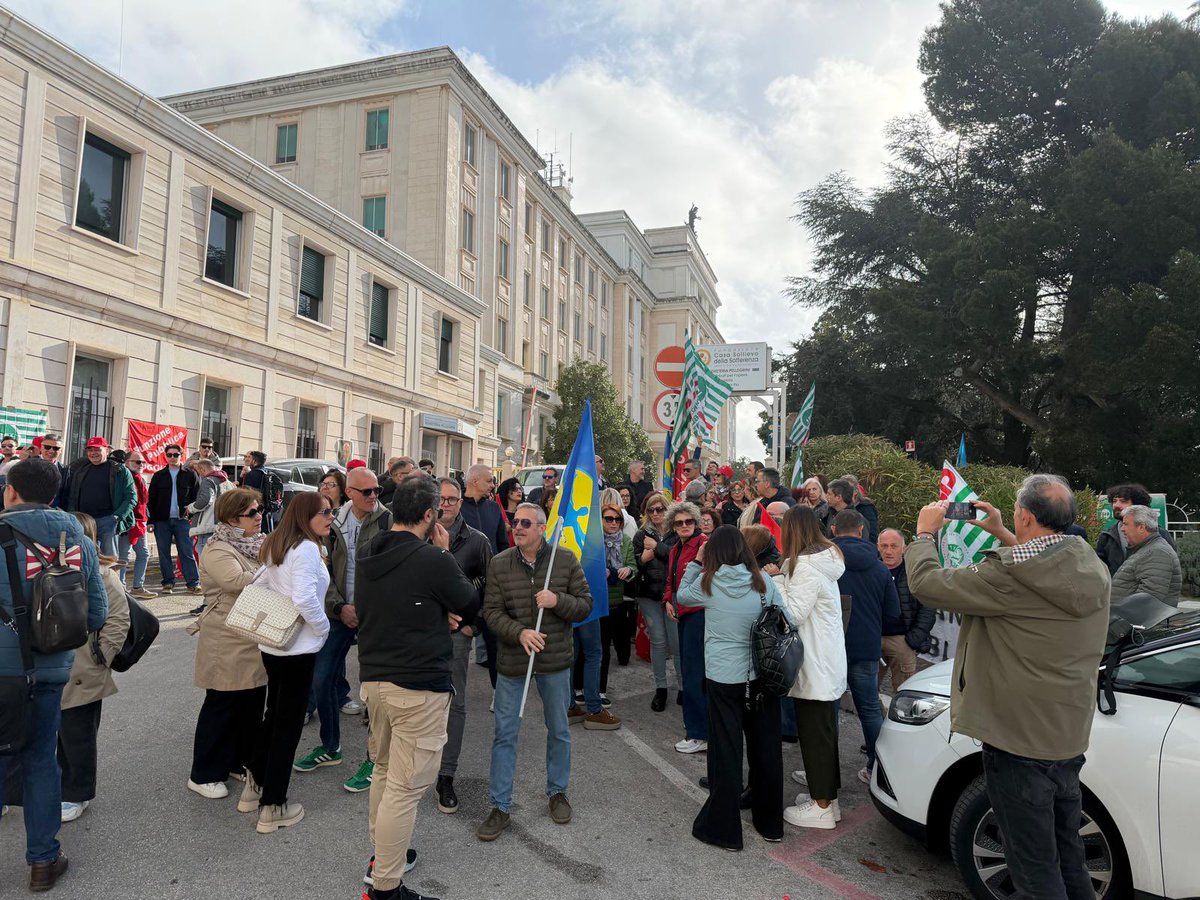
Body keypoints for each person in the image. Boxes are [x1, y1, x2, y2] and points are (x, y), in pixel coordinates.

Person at [906, 475, 1111, 899]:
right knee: (1067, 854)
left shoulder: (1009, 577)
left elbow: (927, 584)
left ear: (1026, 515)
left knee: (1033, 869)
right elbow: (1041, 570)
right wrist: (1002, 532)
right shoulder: (1089, 565)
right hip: (1064, 736)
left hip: (1018, 741)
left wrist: (925, 533)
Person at [356, 474, 478, 900]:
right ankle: (386, 887)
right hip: (417, 687)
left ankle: (382, 856)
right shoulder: (434, 559)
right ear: (429, 515)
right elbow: (468, 602)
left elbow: (395, 606)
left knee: (386, 774)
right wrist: (444, 555)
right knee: (405, 790)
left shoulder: (370, 551)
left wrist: (433, 610)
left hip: (376, 682)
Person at [0, 459, 107, 892]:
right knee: (42, 760)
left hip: (2, 670)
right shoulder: (78, 539)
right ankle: (43, 861)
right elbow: (96, 612)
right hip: (51, 670)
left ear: (11, 492)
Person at [476, 503, 592, 842]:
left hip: (554, 662)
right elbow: (491, 611)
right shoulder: (499, 563)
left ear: (542, 528)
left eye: (526, 523)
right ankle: (499, 805)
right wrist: (519, 633)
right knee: (505, 733)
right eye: (515, 522)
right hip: (513, 663)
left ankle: (557, 792)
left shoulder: (565, 560)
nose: (518, 527)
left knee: (558, 730)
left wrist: (558, 601)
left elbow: (585, 605)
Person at [678, 525, 788, 850]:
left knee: (725, 751)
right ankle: (770, 823)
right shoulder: (764, 581)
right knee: (766, 749)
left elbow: (682, 595)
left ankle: (724, 830)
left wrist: (695, 562)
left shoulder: (708, 583)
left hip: (724, 678)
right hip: (761, 677)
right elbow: (788, 618)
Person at [296, 468, 392, 789]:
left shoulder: (387, 521)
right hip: (338, 613)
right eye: (366, 491)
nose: (374, 496)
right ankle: (330, 746)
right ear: (349, 492)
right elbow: (323, 570)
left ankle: (373, 759)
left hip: (376, 617)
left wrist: (365, 609)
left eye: (377, 490)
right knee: (322, 679)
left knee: (374, 693)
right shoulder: (332, 521)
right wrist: (340, 607)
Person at [245, 492, 332, 833]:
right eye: (324, 512)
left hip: (274, 644)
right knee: (288, 725)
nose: (330, 516)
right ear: (305, 515)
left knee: (274, 717)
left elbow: (260, 582)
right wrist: (323, 630)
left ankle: (255, 784)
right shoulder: (307, 548)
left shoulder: (277, 543)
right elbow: (305, 598)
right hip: (297, 648)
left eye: (331, 510)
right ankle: (273, 805)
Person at [187, 488, 269, 802]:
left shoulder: (256, 542)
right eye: (252, 512)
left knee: (250, 704)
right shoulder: (219, 548)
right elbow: (236, 581)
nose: (259, 515)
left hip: (251, 634)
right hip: (226, 636)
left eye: (259, 509)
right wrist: (273, 571)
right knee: (221, 706)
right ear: (233, 518)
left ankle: (238, 761)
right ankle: (204, 773)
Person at [773, 506, 847, 830]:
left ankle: (821, 807)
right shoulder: (824, 560)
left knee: (815, 736)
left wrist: (776, 580)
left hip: (815, 665)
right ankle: (829, 800)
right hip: (827, 661)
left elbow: (792, 614)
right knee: (825, 734)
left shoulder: (805, 567)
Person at [57, 512, 131, 824]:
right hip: (54, 667)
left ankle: (77, 793)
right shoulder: (50, 569)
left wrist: (101, 656)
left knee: (78, 736)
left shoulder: (103, 576)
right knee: (53, 734)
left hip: (84, 667)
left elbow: (118, 620)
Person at [434, 476, 493, 815]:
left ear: (461, 502)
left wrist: (476, 624)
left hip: (459, 637)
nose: (446, 504)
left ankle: (446, 776)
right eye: (440, 498)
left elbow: (492, 587)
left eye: (452, 499)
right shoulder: (418, 535)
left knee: (453, 704)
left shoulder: (478, 541)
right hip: (422, 634)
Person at [831, 508, 899, 783]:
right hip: (867, 647)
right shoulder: (880, 568)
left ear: (833, 531)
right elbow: (892, 612)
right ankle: (877, 767)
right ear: (861, 531)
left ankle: (824, 772)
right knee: (870, 709)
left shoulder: (824, 563)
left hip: (831, 648)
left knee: (827, 711)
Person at [663, 501, 709, 754]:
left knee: (694, 674)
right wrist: (668, 600)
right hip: (683, 614)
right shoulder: (674, 548)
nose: (684, 526)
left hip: (699, 615)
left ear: (696, 521)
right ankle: (698, 730)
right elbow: (671, 579)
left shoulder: (704, 545)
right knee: (689, 670)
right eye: (679, 522)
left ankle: (699, 733)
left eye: (688, 521)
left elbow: (706, 582)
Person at [633, 493, 680, 712]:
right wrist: (643, 558)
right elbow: (635, 564)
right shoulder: (641, 534)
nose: (656, 514)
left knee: (676, 642)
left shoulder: (678, 531)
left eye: (660, 509)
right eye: (651, 510)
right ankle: (660, 688)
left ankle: (683, 686)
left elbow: (677, 558)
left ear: (667, 510)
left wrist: (657, 548)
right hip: (649, 594)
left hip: (674, 595)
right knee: (659, 641)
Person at [54, 436, 136, 558]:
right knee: (84, 558)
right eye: (90, 450)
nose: (93, 453)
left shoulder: (120, 470)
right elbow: (73, 496)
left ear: (107, 450)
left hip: (107, 522)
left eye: (97, 449)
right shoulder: (80, 470)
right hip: (84, 522)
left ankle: (112, 578)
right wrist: (73, 515)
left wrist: (116, 517)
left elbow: (131, 497)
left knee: (110, 561)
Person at [876, 529, 934, 691]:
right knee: (867, 692)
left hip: (903, 640)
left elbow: (928, 608)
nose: (888, 551)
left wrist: (913, 640)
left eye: (894, 546)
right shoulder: (870, 570)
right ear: (878, 547)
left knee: (904, 692)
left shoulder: (914, 572)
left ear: (904, 548)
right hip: (873, 638)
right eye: (884, 546)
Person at [147, 443, 202, 596]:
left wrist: (191, 516)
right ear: (166, 456)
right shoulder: (158, 476)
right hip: (161, 521)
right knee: (163, 553)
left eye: (175, 455)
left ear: (181, 455)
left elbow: (197, 497)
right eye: (169, 455)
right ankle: (168, 583)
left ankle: (193, 583)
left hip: (183, 521)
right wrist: (150, 521)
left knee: (186, 552)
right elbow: (151, 500)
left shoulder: (190, 475)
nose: (172, 458)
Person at [1095, 483, 1177, 575]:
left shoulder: (1160, 534)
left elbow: (1171, 568)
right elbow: (1100, 570)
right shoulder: (1107, 536)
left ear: (1138, 505)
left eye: (1123, 501)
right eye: (1114, 501)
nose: (1116, 505)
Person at [1110, 504, 1182, 606]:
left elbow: (1147, 600)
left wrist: (1117, 617)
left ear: (1141, 527)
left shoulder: (1157, 552)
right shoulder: (1146, 549)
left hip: (1135, 621)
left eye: (1125, 524)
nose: (1122, 529)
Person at [116, 450, 154, 600]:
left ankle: (138, 586)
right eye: (137, 462)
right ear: (127, 462)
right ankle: (121, 588)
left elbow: (144, 503)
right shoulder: (123, 477)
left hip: (141, 522)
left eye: (143, 462)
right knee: (123, 556)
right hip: (127, 522)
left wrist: (147, 519)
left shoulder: (141, 479)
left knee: (144, 554)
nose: (141, 465)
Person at [188, 458, 233, 558]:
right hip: (223, 527)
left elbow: (205, 500)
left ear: (202, 469)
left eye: (198, 471)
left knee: (205, 562)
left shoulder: (208, 480)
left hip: (208, 526)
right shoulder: (228, 483)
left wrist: (190, 508)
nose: (199, 474)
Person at [459, 464, 507, 555]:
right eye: (489, 481)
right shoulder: (456, 507)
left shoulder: (494, 508)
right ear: (475, 481)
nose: (493, 485)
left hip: (492, 566)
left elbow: (503, 543)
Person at [827, 478, 878, 543]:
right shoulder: (831, 514)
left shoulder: (858, 518)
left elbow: (865, 543)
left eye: (829, 494)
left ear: (838, 497)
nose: (826, 497)